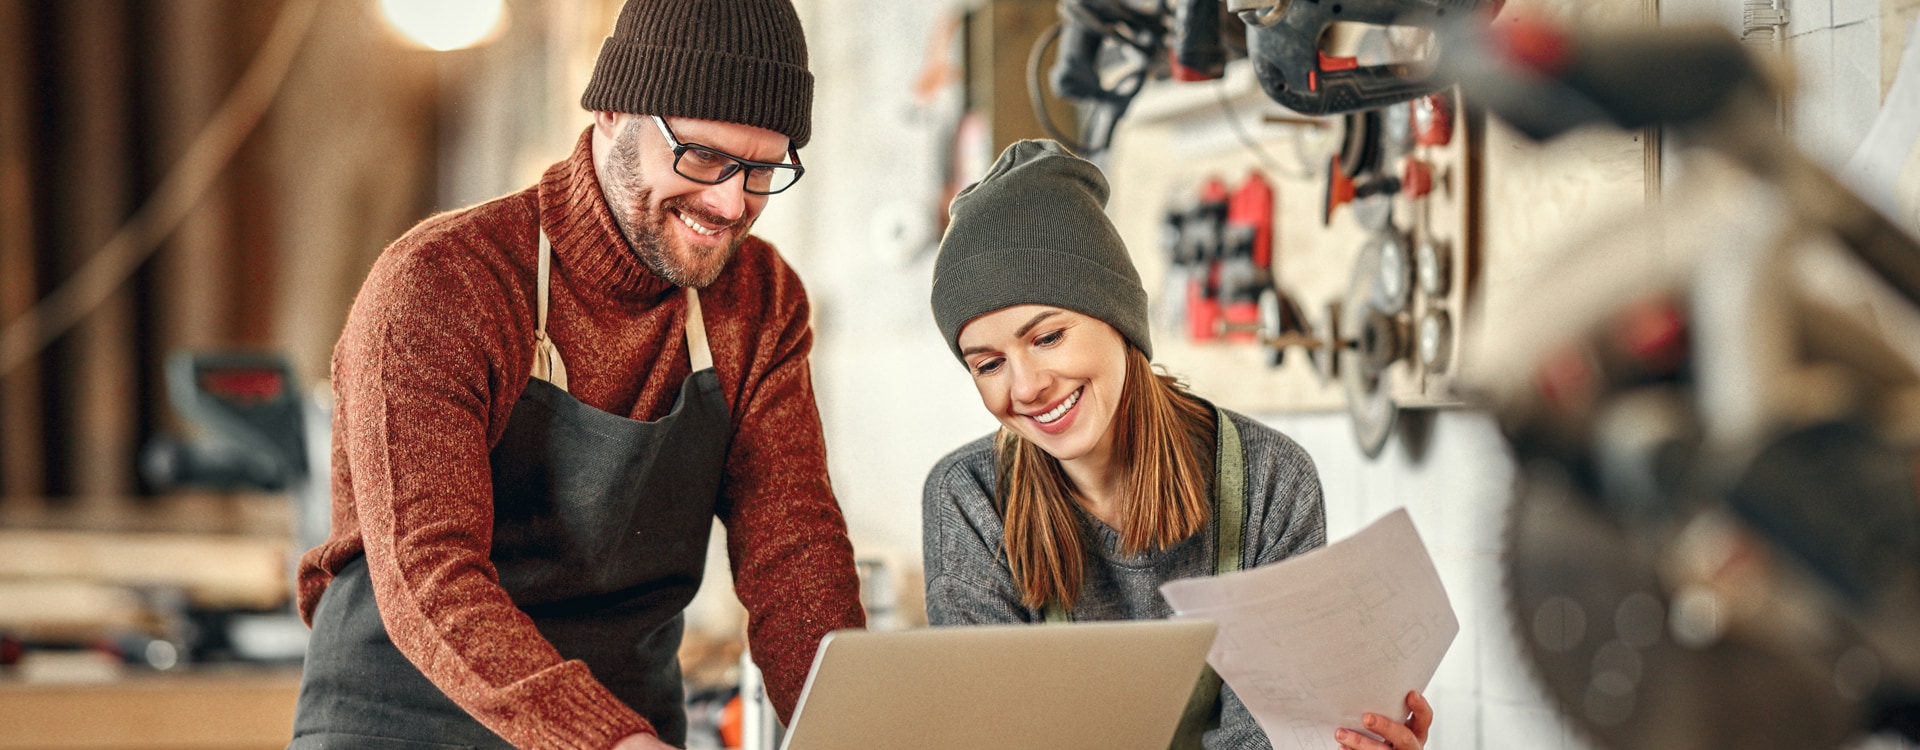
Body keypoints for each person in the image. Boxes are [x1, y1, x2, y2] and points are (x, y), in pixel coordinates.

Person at [288, 1, 865, 747]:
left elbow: (795, 558)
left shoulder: (758, 299)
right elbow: (430, 575)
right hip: (406, 721)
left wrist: (856, 726)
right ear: (614, 111)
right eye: (704, 158)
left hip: (629, 723)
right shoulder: (441, 283)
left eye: (762, 168)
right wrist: (607, 742)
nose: (731, 203)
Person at [921, 140, 1433, 750]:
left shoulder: (1271, 479)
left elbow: (1270, 738)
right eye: (988, 365)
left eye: (1050, 337)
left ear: (1118, 319)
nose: (1026, 387)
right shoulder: (971, 499)